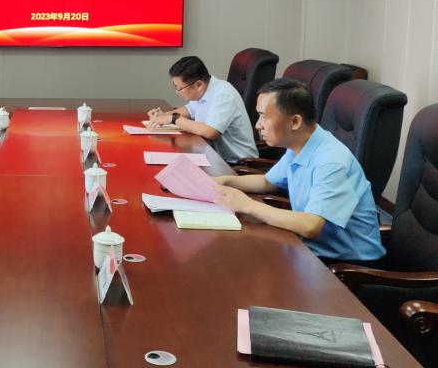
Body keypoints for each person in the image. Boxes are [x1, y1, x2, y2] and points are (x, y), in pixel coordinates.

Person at [213, 78, 385, 264]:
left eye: (264, 117)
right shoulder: (300, 143)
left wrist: (248, 205)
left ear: (294, 121)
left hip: (348, 265)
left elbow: (311, 226)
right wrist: (223, 181)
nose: (258, 125)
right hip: (312, 248)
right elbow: (267, 182)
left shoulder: (331, 162)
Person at [147, 56, 258, 162]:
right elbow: (189, 110)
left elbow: (210, 131)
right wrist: (164, 115)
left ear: (199, 85)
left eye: (180, 88)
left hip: (236, 163)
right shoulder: (204, 90)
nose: (178, 92)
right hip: (214, 154)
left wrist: (174, 118)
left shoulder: (224, 94)